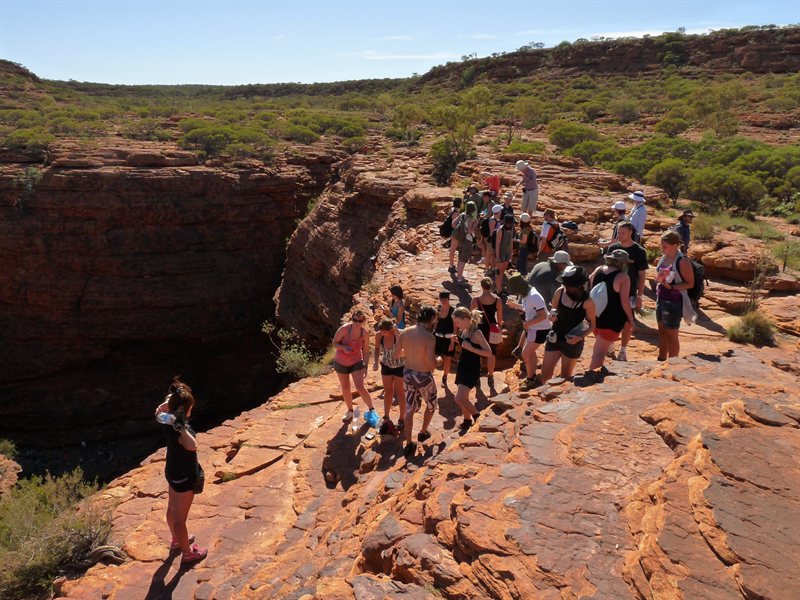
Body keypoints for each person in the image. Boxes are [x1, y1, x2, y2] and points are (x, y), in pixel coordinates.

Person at [155, 377, 207, 565]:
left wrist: (172, 412)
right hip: (184, 478)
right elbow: (192, 446)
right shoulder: (178, 427)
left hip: (172, 471)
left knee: (171, 507)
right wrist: (182, 426)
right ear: (185, 409)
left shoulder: (166, 418)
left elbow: (160, 409)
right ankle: (187, 553)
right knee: (180, 519)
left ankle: (177, 540)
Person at [514, 250, 572, 359]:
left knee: (529, 325)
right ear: (560, 264)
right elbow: (555, 299)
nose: (565, 268)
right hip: (533, 305)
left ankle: (520, 348)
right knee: (538, 332)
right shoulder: (553, 276)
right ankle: (527, 357)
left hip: (524, 301)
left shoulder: (541, 264)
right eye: (565, 265)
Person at [540, 266, 595, 382]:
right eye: (566, 284)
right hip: (555, 337)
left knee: (565, 377)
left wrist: (579, 337)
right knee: (545, 375)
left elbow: (592, 326)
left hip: (572, 342)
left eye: (570, 285)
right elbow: (553, 310)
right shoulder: (560, 292)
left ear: (580, 285)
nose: (567, 287)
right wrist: (551, 316)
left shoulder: (588, 302)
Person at [586, 249, 635, 378]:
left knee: (600, 347)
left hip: (595, 316)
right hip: (611, 320)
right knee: (599, 352)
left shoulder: (598, 270)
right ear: (622, 263)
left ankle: (594, 372)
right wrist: (631, 319)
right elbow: (625, 302)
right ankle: (591, 376)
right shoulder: (623, 277)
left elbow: (589, 288)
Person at [396, 306, 438, 457]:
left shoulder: (404, 332)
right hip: (423, 376)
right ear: (432, 319)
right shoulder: (429, 337)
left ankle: (409, 443)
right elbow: (430, 362)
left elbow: (397, 354)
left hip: (407, 373)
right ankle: (422, 432)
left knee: (410, 408)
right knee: (432, 404)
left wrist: (409, 352)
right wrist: (438, 361)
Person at [607, 221, 648, 361]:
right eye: (619, 232)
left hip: (629, 292)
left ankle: (623, 350)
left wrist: (639, 296)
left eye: (623, 232)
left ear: (630, 232)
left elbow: (642, 275)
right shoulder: (613, 248)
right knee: (611, 319)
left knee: (627, 322)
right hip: (612, 291)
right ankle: (610, 344)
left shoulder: (639, 251)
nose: (620, 235)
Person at [655, 230, 695, 361]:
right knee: (662, 332)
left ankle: (673, 363)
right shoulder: (665, 257)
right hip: (661, 297)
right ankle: (661, 359)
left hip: (674, 301)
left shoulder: (682, 261)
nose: (662, 248)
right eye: (662, 245)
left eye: (665, 246)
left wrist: (671, 287)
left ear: (675, 245)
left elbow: (690, 283)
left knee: (672, 334)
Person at [451, 307, 492, 430]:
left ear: (466, 319)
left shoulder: (476, 333)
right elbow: (466, 346)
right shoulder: (465, 331)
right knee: (464, 397)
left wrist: (471, 348)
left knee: (459, 398)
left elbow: (489, 353)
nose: (456, 325)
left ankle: (477, 416)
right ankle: (467, 420)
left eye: (458, 322)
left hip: (472, 369)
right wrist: (458, 341)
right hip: (463, 366)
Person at [332, 310, 376, 421]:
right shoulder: (344, 329)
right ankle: (350, 411)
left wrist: (365, 366)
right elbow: (334, 343)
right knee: (346, 388)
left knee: (360, 387)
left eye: (360, 320)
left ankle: (372, 410)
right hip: (341, 362)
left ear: (363, 321)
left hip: (356, 362)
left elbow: (366, 351)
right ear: (352, 319)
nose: (357, 322)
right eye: (355, 320)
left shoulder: (364, 333)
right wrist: (343, 348)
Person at [507, 282, 550, 388]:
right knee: (530, 352)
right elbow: (529, 309)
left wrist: (528, 323)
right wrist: (515, 305)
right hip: (533, 328)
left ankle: (531, 379)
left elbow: (544, 315)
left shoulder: (534, 296)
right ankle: (533, 370)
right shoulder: (527, 295)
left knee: (526, 353)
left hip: (540, 329)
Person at [372, 319, 405, 432]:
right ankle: (386, 415)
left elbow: (405, 349)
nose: (382, 333)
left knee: (400, 392)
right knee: (388, 391)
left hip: (400, 366)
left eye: (384, 331)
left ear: (390, 329)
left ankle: (402, 419)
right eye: (380, 331)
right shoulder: (379, 336)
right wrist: (376, 362)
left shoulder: (399, 334)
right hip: (386, 365)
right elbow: (377, 348)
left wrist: (396, 333)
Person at [470, 278, 502, 387]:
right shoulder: (497, 300)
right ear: (491, 285)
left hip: (479, 328)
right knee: (491, 354)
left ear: (482, 286)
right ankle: (490, 376)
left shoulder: (476, 299)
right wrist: (499, 329)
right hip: (491, 329)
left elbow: (471, 316)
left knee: (478, 353)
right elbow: (500, 319)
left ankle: (477, 376)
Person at [433, 292, 456, 386]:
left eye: (444, 299)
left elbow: (455, 328)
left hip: (448, 338)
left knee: (448, 358)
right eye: (441, 299)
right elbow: (435, 323)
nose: (442, 301)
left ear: (448, 299)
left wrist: (452, 342)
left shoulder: (453, 311)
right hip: (437, 337)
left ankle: (445, 377)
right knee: (433, 357)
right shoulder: (438, 309)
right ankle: (430, 375)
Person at [455, 201, 478, 287]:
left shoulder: (462, 215)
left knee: (460, 258)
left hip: (460, 240)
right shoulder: (471, 219)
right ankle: (459, 279)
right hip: (467, 240)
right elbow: (470, 231)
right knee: (463, 260)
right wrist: (475, 224)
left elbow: (453, 224)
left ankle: (459, 276)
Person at [494, 214, 515, 295]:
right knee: (499, 272)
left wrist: (511, 253)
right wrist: (497, 256)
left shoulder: (511, 228)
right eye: (508, 223)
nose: (509, 224)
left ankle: (498, 288)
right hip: (501, 253)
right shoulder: (500, 230)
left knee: (502, 271)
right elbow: (497, 244)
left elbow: (510, 241)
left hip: (507, 253)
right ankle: (498, 290)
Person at [446, 197, 462, 273]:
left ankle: (452, 264)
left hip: (452, 232)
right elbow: (454, 224)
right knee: (453, 249)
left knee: (453, 249)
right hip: (454, 233)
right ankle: (451, 266)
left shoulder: (452, 209)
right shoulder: (455, 212)